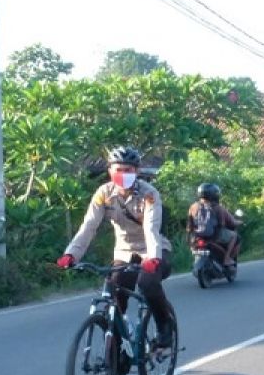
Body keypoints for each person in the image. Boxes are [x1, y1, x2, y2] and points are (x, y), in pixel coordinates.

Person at [57, 146, 175, 348]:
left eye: (128, 170)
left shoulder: (149, 194)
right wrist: (71, 254)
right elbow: (88, 227)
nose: (123, 174)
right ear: (110, 171)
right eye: (118, 169)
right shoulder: (103, 193)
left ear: (136, 172)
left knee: (147, 284)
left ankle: (165, 327)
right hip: (124, 253)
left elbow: (151, 229)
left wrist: (153, 258)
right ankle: (116, 354)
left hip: (153, 250)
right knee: (115, 295)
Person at [189, 183, 242, 267]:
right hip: (214, 236)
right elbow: (231, 222)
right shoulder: (218, 208)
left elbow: (189, 224)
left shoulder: (193, 207)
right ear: (214, 194)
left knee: (193, 247)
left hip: (197, 236)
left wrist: (189, 237)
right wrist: (240, 222)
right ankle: (227, 259)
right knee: (235, 236)